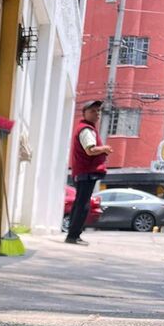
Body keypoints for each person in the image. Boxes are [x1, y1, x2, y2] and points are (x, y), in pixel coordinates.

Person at [66, 99, 112, 247]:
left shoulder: (86, 128)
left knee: (79, 203)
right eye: (93, 111)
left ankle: (72, 235)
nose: (97, 114)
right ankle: (74, 235)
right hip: (86, 172)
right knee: (83, 204)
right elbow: (90, 150)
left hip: (82, 172)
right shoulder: (86, 130)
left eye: (98, 111)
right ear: (84, 113)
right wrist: (104, 148)